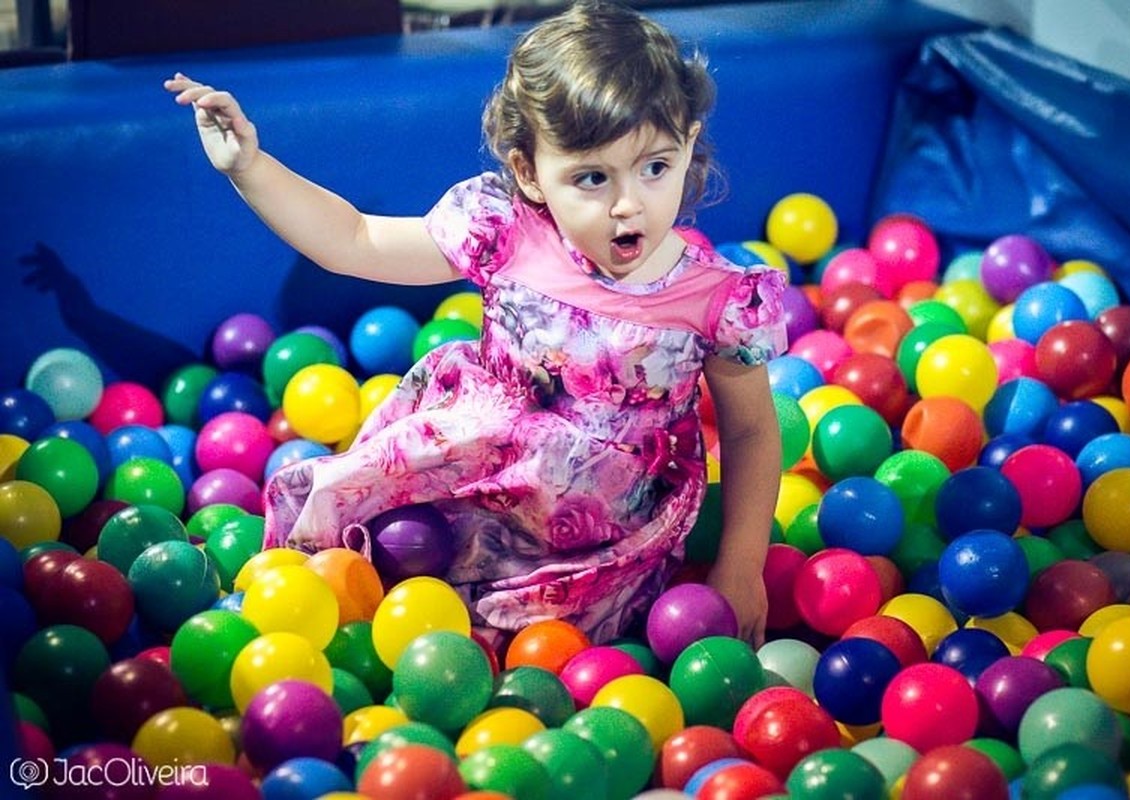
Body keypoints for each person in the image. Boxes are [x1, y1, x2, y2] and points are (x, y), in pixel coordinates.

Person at [165, 0, 785, 646]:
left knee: (535, 660)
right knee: (370, 568)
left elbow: (748, 430)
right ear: (530, 174)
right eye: (592, 178)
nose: (628, 205)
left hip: (595, 540)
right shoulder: (507, 234)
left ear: (687, 142)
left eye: (655, 166)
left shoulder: (717, 302)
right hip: (470, 477)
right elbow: (352, 239)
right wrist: (250, 168)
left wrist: (741, 566)